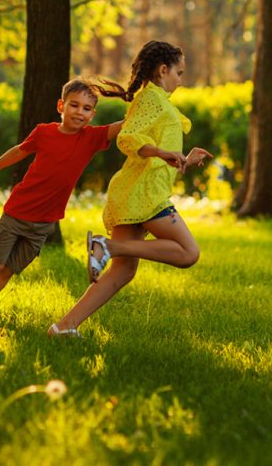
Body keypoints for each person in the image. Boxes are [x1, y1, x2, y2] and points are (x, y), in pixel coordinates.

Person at [48, 40, 212, 338]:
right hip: (144, 195)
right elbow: (128, 138)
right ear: (163, 70)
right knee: (188, 253)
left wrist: (185, 160)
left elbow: (157, 154)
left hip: (137, 192)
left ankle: (63, 327)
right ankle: (106, 247)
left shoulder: (157, 101)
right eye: (179, 72)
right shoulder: (152, 100)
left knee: (122, 271)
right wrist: (162, 153)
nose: (181, 79)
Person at [0, 77, 124, 313]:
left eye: (86, 108)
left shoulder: (91, 138)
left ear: (92, 115)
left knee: (7, 271)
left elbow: (125, 124)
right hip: (17, 212)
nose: (79, 112)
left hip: (44, 223)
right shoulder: (44, 132)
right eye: (74, 105)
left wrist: (147, 102)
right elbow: (19, 152)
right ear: (61, 106)